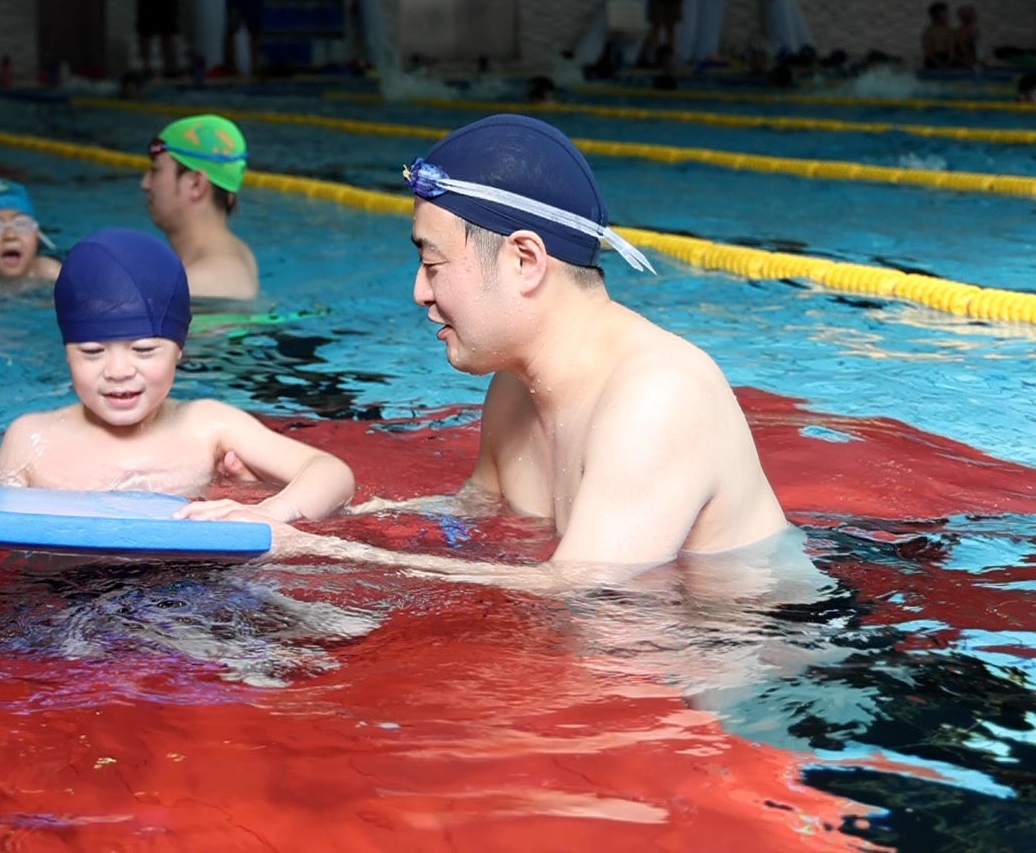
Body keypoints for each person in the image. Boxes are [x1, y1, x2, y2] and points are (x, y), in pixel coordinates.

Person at [270, 114, 791, 589]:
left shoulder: (660, 394)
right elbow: (473, 513)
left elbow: (580, 593)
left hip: (775, 674)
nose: (419, 293)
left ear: (525, 260)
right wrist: (303, 521)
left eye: (433, 265)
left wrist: (318, 553)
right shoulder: (515, 386)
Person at [0, 228, 352, 523]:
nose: (118, 372)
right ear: (66, 353)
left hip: (195, 586)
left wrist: (267, 510)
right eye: (92, 352)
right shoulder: (32, 439)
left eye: (145, 350)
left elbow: (331, 473)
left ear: (180, 350)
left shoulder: (208, 424)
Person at [141, 114, 258, 300]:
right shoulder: (240, 252)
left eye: (155, 170)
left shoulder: (195, 285)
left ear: (196, 184)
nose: (145, 183)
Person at [920, 1, 955, 69]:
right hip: (933, 60)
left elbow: (951, 50)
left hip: (947, 59)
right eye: (944, 13)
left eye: (947, 13)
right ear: (936, 15)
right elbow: (928, 51)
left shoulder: (949, 30)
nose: (947, 16)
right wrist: (939, 63)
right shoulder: (929, 32)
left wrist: (950, 61)